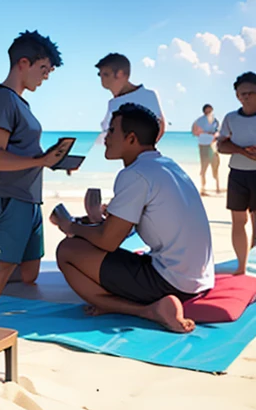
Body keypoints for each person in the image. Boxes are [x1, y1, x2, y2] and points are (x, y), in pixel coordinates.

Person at [51, 103, 214, 333]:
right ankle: (118, 302)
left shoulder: (134, 174)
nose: (106, 138)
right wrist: (97, 218)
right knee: (99, 246)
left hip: (172, 281)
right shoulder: (167, 165)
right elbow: (130, 227)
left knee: (67, 250)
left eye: (112, 131)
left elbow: (109, 242)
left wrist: (70, 226)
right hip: (199, 278)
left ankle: (147, 310)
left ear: (131, 139)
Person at [0, 30, 69, 297]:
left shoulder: (19, 103)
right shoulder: (3, 98)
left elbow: (22, 154)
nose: (46, 76)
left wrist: (51, 161)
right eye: (44, 68)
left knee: (29, 273)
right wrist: (40, 160)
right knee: (2, 269)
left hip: (29, 198)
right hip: (11, 198)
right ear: (23, 63)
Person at [217, 72, 256, 275]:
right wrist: (242, 151)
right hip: (238, 174)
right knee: (238, 221)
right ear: (237, 96)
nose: (246, 97)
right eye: (242, 94)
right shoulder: (231, 118)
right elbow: (221, 146)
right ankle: (241, 267)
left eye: (251, 93)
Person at [96, 53, 165, 143]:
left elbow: (159, 127)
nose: (101, 78)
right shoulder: (114, 102)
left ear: (120, 74)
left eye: (106, 74)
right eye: (99, 74)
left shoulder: (147, 95)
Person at [192, 103, 221, 196]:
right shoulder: (199, 121)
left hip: (213, 145)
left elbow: (218, 131)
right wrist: (206, 133)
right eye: (207, 110)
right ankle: (203, 188)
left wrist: (214, 136)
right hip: (203, 145)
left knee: (215, 165)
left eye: (210, 110)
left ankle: (217, 187)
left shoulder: (215, 120)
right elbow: (195, 131)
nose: (209, 112)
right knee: (204, 167)